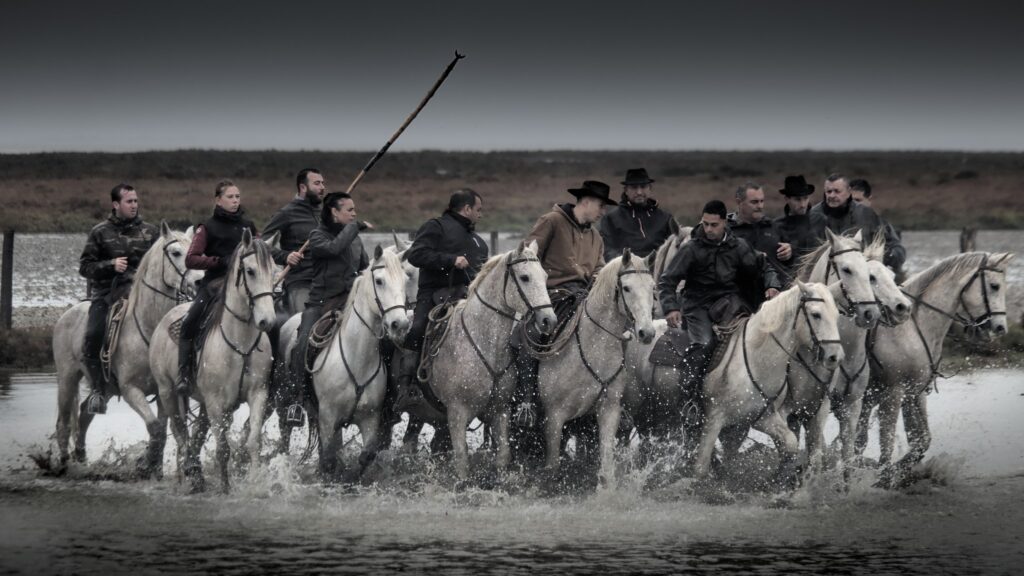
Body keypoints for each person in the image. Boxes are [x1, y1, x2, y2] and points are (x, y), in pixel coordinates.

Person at [658, 200, 781, 420]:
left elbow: (764, 265)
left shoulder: (738, 246)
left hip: (729, 303)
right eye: (705, 224)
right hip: (696, 305)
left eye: (714, 225)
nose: (708, 229)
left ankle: (755, 394)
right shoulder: (691, 249)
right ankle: (689, 400)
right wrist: (670, 308)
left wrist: (772, 285)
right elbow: (667, 281)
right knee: (703, 343)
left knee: (749, 338)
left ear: (724, 222)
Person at [514, 180, 616, 427]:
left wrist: (597, 278)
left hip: (584, 297)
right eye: (601, 206)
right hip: (551, 296)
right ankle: (526, 400)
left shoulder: (596, 236)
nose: (603, 212)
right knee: (526, 335)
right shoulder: (552, 221)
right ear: (586, 201)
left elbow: (600, 268)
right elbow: (528, 257)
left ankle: (609, 398)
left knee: (613, 333)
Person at [396, 189, 488, 399]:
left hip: (467, 297)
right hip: (433, 294)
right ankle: (406, 386)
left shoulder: (479, 242)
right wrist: (450, 260)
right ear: (467, 209)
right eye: (478, 210)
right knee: (417, 328)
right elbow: (416, 255)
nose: (480, 215)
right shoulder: (435, 227)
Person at [288, 192, 371, 417]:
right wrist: (354, 228)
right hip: (321, 302)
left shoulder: (354, 239)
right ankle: (298, 399)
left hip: (350, 301)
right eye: (349, 210)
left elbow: (364, 267)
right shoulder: (317, 236)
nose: (354, 214)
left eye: (355, 210)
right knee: (302, 343)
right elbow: (334, 248)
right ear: (334, 212)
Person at [78, 184, 159, 414]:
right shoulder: (100, 232)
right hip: (107, 294)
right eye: (129, 201)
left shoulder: (150, 232)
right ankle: (97, 389)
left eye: (135, 201)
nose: (134, 205)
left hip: (142, 295)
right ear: (116, 204)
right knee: (93, 334)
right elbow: (85, 267)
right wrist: (110, 265)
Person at [176, 180, 258, 396]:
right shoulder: (207, 227)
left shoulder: (248, 226)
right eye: (230, 197)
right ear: (218, 200)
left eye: (237, 196)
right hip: (214, 284)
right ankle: (184, 374)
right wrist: (219, 262)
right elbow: (191, 259)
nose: (235, 201)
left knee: (271, 320)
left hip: (246, 286)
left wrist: (285, 257)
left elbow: (261, 251)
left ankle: (271, 374)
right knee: (190, 322)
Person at [809, 173, 906, 272]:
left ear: (848, 192)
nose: (832, 195)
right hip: (824, 275)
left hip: (864, 273)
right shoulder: (813, 216)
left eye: (837, 191)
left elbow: (895, 247)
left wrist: (887, 256)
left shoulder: (865, 213)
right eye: (829, 192)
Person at [263, 168, 326, 315]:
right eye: (317, 183)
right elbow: (262, 245)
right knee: (305, 319)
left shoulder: (325, 214)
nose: (322, 187)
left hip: (328, 280)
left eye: (323, 183)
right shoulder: (286, 213)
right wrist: (286, 256)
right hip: (301, 282)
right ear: (303, 187)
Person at [727, 182, 792, 304]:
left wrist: (789, 252)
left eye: (762, 201)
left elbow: (791, 262)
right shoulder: (728, 231)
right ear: (739, 202)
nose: (760, 206)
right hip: (742, 300)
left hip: (777, 297)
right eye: (754, 202)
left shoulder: (773, 226)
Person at [599, 168, 679, 260]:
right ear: (626, 190)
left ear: (650, 188)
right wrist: (626, 261)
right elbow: (607, 250)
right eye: (634, 187)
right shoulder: (611, 219)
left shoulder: (665, 218)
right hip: (627, 266)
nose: (639, 192)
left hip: (659, 265)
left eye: (643, 187)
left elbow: (676, 246)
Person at [773, 175, 822, 282]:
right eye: (797, 199)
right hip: (790, 281)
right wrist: (786, 254)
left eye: (805, 198)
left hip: (819, 278)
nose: (803, 204)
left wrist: (793, 250)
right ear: (787, 199)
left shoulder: (820, 220)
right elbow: (775, 263)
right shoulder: (777, 226)